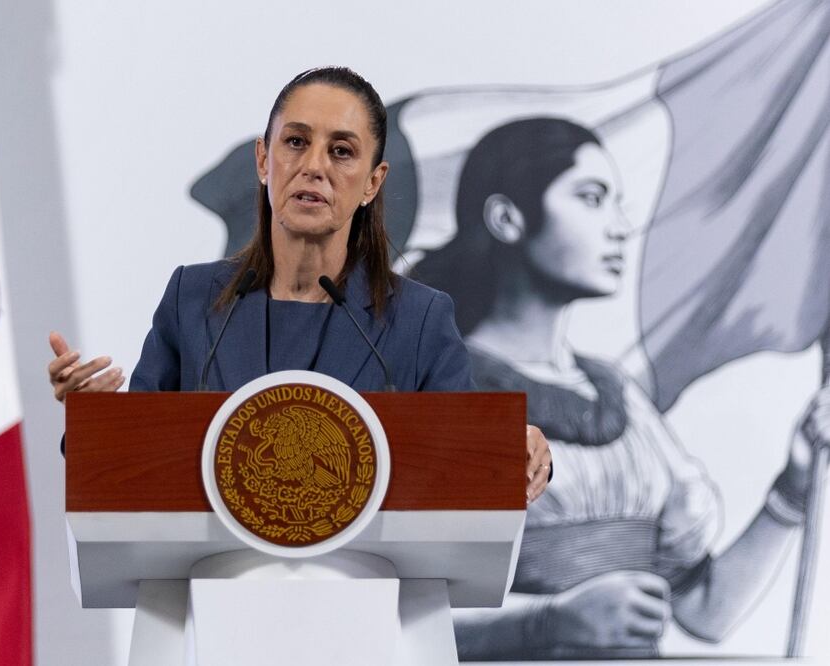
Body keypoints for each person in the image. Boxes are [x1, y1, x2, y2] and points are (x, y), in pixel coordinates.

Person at [415, 117, 830, 660]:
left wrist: (794, 487)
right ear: (507, 218)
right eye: (591, 198)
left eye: (616, 203)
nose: (619, 227)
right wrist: (545, 623)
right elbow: (400, 624)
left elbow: (705, 612)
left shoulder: (621, 397)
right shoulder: (443, 388)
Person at [47, 66, 552, 500]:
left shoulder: (419, 320)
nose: (313, 167)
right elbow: (134, 463)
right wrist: (92, 418)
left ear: (373, 183)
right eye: (296, 142)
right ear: (265, 161)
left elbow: (469, 462)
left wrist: (517, 450)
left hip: (363, 603)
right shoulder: (193, 301)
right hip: (218, 598)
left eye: (341, 151)